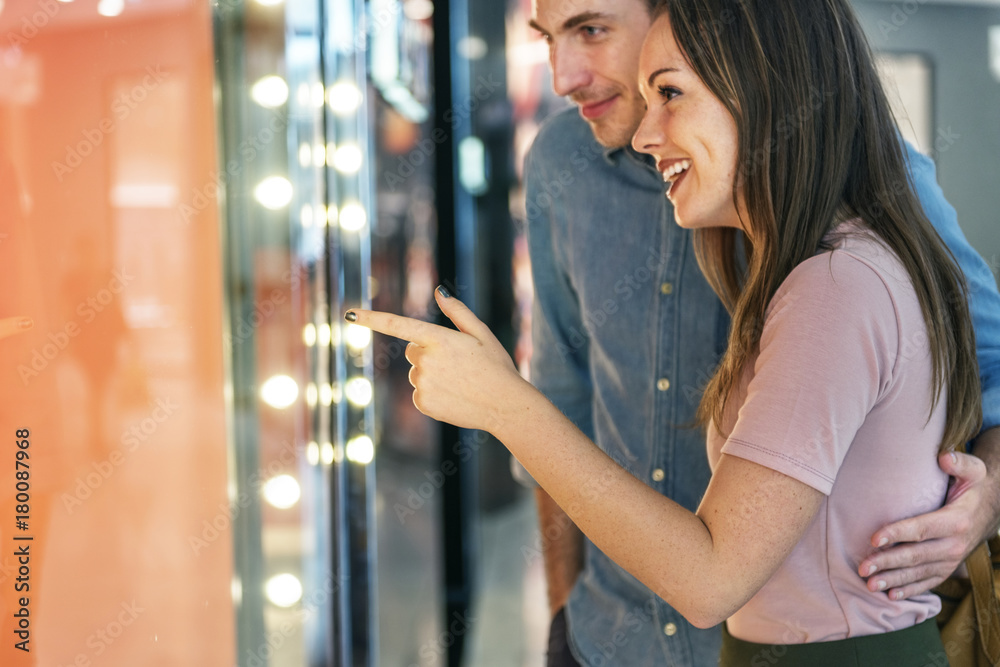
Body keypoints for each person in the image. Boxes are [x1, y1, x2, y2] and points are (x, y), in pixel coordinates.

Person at [353, 0, 1000, 663]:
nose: (564, 77)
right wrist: (562, 619)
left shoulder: (836, 275)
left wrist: (983, 502)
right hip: (616, 634)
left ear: (756, 79)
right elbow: (567, 392)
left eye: (593, 30)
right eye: (548, 39)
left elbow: (710, 575)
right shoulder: (572, 167)